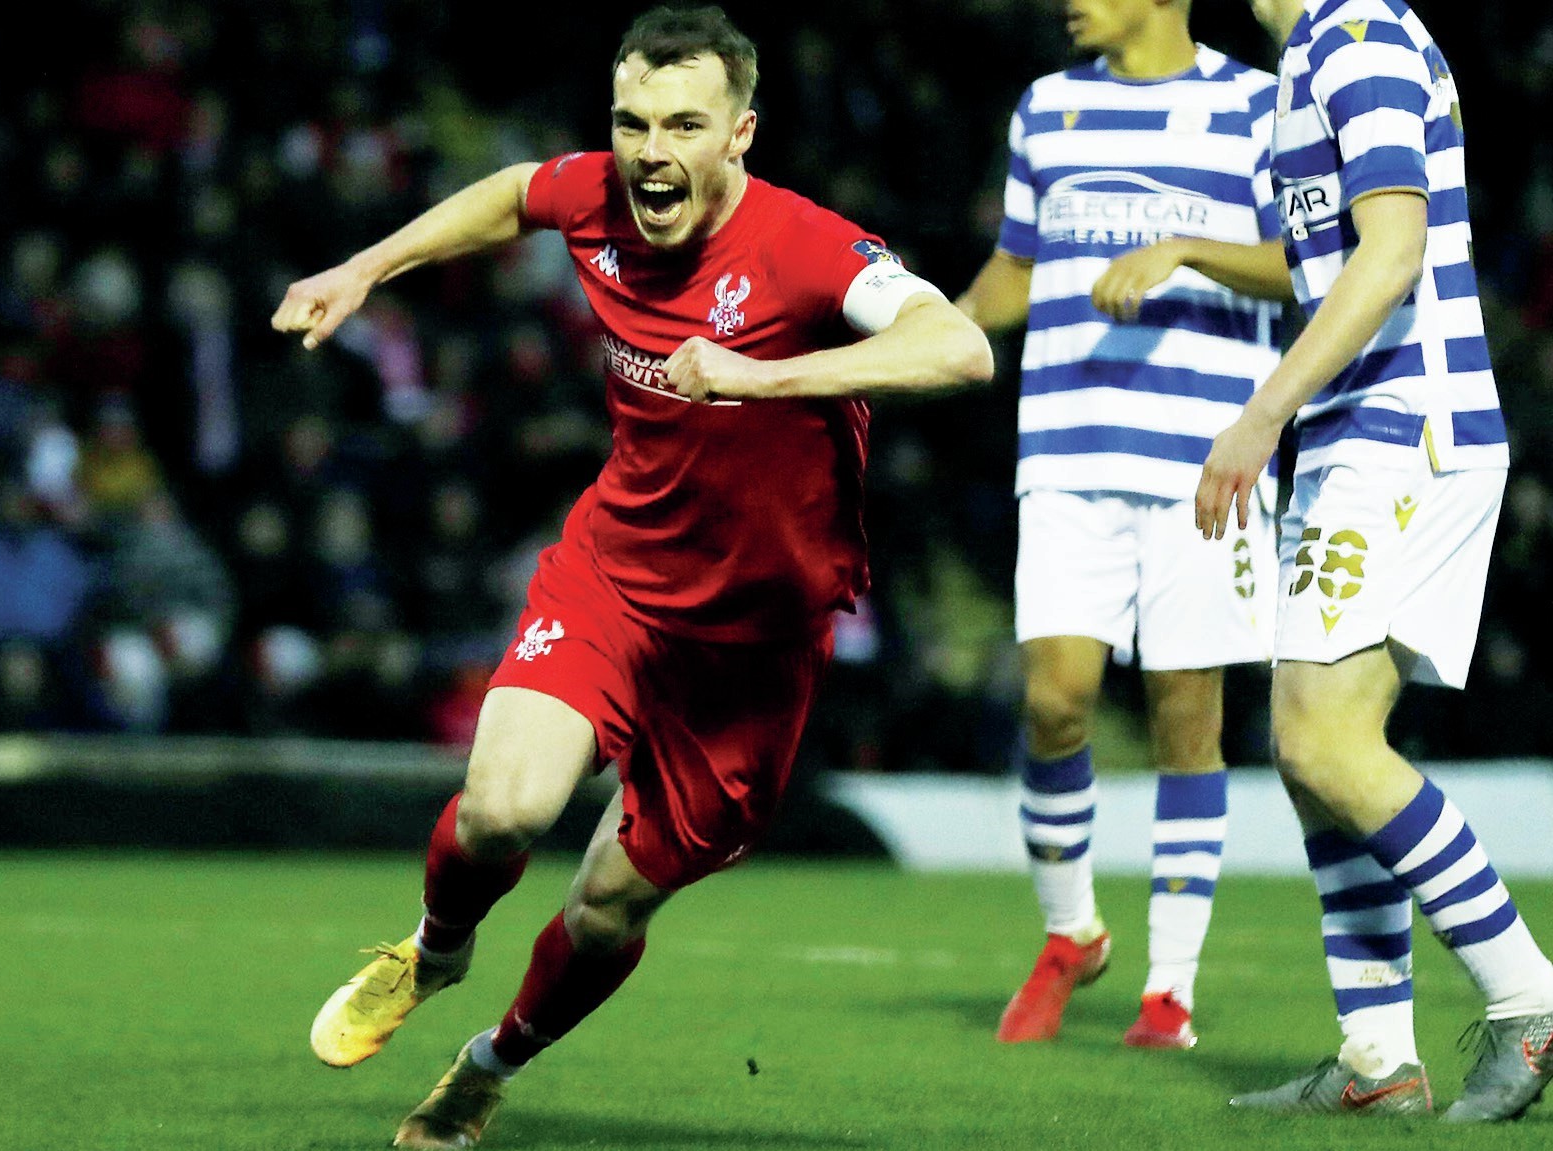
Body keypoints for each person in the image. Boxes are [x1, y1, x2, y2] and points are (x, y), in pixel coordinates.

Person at [272, 6, 993, 1148]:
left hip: (755, 648)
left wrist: (761, 377)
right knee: (502, 809)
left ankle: (487, 1064)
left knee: (606, 904)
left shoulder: (805, 247)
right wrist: (366, 266)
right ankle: (436, 948)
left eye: (683, 125)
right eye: (631, 122)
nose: (651, 152)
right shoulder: (596, 197)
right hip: (616, 579)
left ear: (740, 133)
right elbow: (515, 191)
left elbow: (960, 346)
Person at [1201, 0, 1553, 1120]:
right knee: (1311, 751)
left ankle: (1530, 997)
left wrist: (1260, 412)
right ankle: (1375, 1057)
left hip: (1402, 429)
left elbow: (1393, 250)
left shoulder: (1356, 35)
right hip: (1362, 432)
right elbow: (1327, 260)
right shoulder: (1316, 50)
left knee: (1322, 738)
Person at [954, 0, 1293, 1048]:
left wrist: (1184, 248)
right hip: (1066, 450)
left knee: (1186, 718)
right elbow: (1016, 266)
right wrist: (933, 333)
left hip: (1207, 459)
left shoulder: (1259, 106)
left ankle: (1169, 992)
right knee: (1054, 701)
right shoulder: (1043, 108)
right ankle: (1072, 933)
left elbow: (1308, 263)